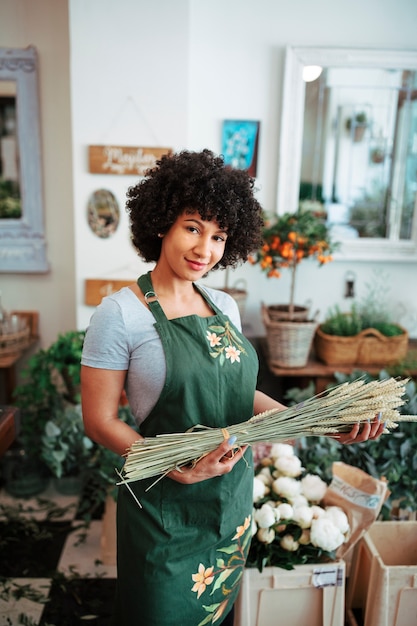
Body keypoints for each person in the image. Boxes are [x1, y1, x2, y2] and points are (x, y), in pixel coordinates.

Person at [81, 149, 384, 626]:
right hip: (163, 508)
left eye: (219, 235)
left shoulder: (224, 305)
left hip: (230, 505)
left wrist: (315, 423)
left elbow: (242, 402)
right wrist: (173, 466)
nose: (206, 249)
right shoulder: (119, 314)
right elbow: (99, 421)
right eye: (193, 227)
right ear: (161, 222)